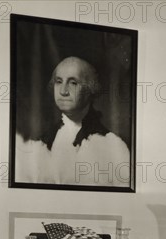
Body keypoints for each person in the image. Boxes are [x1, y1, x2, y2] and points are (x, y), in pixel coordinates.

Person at [15, 56, 130, 186]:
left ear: (90, 88)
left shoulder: (113, 146)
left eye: (73, 83)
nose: (63, 91)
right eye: (59, 81)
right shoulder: (39, 144)